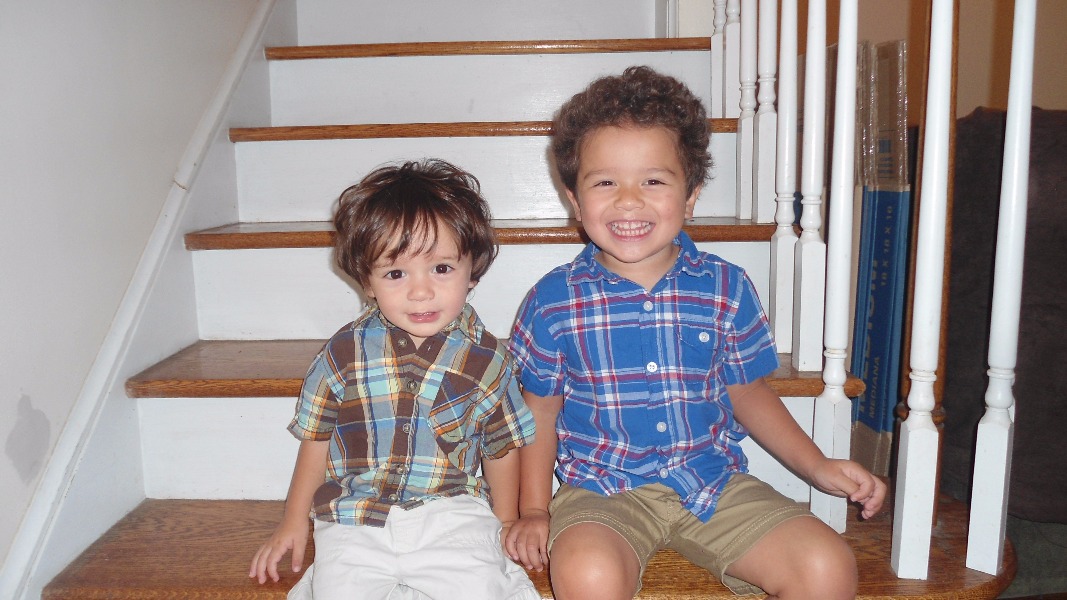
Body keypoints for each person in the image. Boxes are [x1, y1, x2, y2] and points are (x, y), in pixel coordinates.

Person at [504, 66, 886, 599]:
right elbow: (539, 413)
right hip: (601, 491)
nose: (629, 200)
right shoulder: (553, 301)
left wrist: (817, 465)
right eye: (605, 182)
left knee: (826, 565)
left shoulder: (726, 287)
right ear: (574, 200)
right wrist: (532, 510)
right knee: (588, 575)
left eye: (654, 181)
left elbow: (748, 392)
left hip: (713, 483)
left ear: (691, 195)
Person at [249, 159, 540, 600]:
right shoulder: (343, 353)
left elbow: (501, 448)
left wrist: (504, 522)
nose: (420, 291)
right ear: (367, 282)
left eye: (441, 268)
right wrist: (293, 521)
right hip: (355, 515)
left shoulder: (488, 360)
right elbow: (316, 438)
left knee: (483, 588)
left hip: (451, 513)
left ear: (472, 271)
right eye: (395, 273)